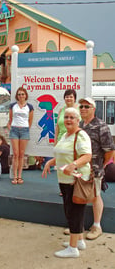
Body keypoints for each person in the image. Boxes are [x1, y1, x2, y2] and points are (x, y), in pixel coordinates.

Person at [42, 107, 92, 258]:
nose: (69, 120)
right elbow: (62, 156)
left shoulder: (81, 135)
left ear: (78, 120)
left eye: (72, 117)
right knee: (71, 210)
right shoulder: (65, 135)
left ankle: (73, 248)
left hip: (75, 180)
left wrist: (74, 165)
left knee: (74, 212)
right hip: (64, 179)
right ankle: (79, 240)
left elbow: (87, 156)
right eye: (67, 117)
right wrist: (49, 163)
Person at [78, 97, 115, 240]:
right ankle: (78, 226)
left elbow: (110, 150)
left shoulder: (101, 126)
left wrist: (102, 165)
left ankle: (97, 226)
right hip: (80, 168)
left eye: (87, 107)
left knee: (95, 196)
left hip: (95, 168)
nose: (83, 109)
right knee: (80, 196)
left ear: (93, 109)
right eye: (81, 106)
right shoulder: (80, 124)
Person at [7, 87, 34, 184]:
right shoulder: (13, 106)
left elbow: (30, 120)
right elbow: (10, 119)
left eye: (23, 94)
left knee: (22, 154)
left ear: (26, 95)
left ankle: (20, 176)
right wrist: (11, 128)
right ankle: (14, 176)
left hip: (24, 130)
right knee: (15, 154)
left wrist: (26, 128)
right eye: (19, 94)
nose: (21, 96)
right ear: (17, 96)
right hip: (14, 130)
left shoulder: (29, 107)